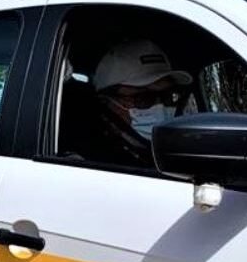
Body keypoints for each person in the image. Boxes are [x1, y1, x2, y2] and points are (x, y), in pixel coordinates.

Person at [76, 38, 193, 169]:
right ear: (106, 102)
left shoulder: (179, 154)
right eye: (144, 98)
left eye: (167, 96)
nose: (160, 106)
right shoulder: (86, 164)